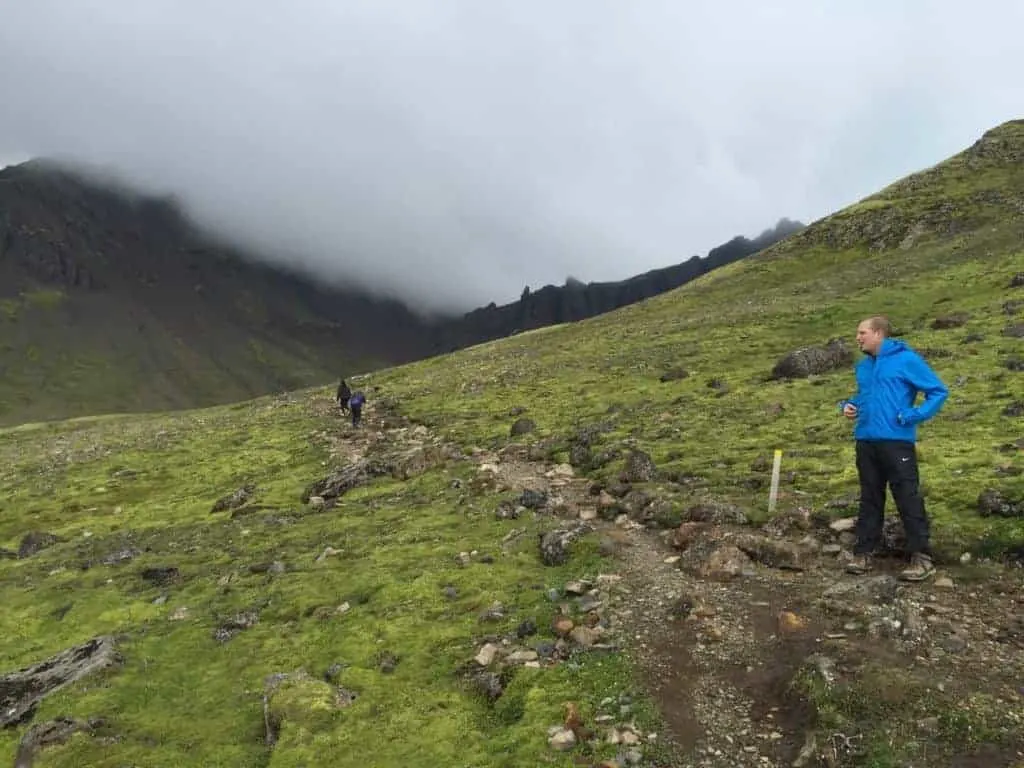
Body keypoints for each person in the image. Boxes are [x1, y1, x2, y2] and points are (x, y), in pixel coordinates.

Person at [839, 315, 948, 581]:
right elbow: (866, 396)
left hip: (896, 441)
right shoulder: (864, 367)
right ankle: (863, 554)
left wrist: (913, 415)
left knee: (907, 496)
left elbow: (938, 391)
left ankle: (922, 558)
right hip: (866, 440)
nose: (858, 338)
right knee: (870, 498)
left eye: (862, 332)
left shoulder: (906, 360)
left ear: (878, 333)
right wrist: (847, 406)